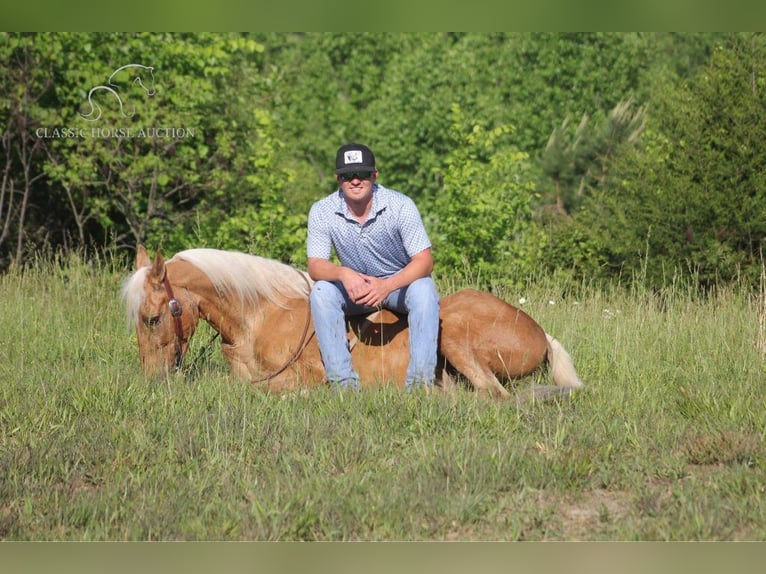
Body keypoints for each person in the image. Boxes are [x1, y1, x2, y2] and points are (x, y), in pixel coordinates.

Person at [307, 143, 440, 390]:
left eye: (362, 174)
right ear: (338, 179)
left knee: (424, 289)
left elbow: (425, 260)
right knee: (322, 291)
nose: (355, 180)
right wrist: (342, 273)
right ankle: (343, 385)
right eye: (347, 175)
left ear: (374, 175)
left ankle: (421, 385)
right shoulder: (321, 211)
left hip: (399, 285)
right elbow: (315, 265)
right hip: (355, 287)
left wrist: (387, 285)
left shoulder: (401, 205)